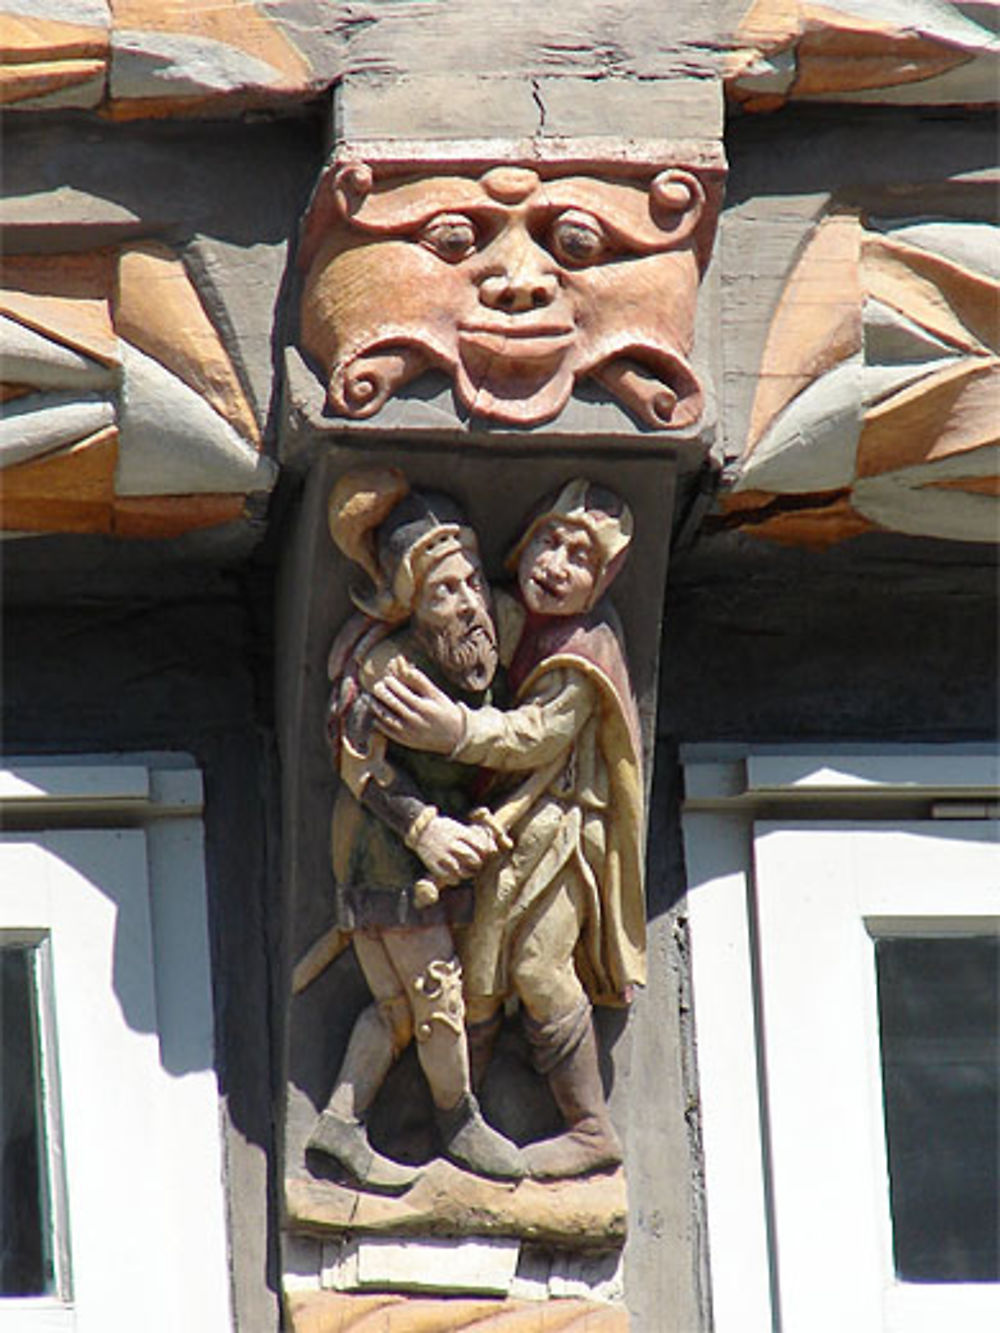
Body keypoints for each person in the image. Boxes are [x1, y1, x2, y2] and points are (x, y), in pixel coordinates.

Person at [371, 479, 645, 1178]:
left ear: (603, 579)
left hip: (560, 838)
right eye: (548, 541)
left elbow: (533, 736)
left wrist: (454, 729)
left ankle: (589, 1126)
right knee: (482, 970)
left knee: (537, 967)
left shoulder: (585, 652)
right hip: (512, 834)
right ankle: (452, 1122)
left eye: (578, 558)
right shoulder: (520, 623)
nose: (554, 564)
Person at [307, 467, 524, 1192]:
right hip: (384, 855)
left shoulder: (490, 633)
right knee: (437, 995)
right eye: (443, 591)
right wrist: (427, 828)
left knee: (398, 1007)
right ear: (409, 603)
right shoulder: (388, 670)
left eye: (468, 580)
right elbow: (360, 769)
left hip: (435, 847)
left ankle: (338, 1125)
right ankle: (457, 1121)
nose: (467, 603)